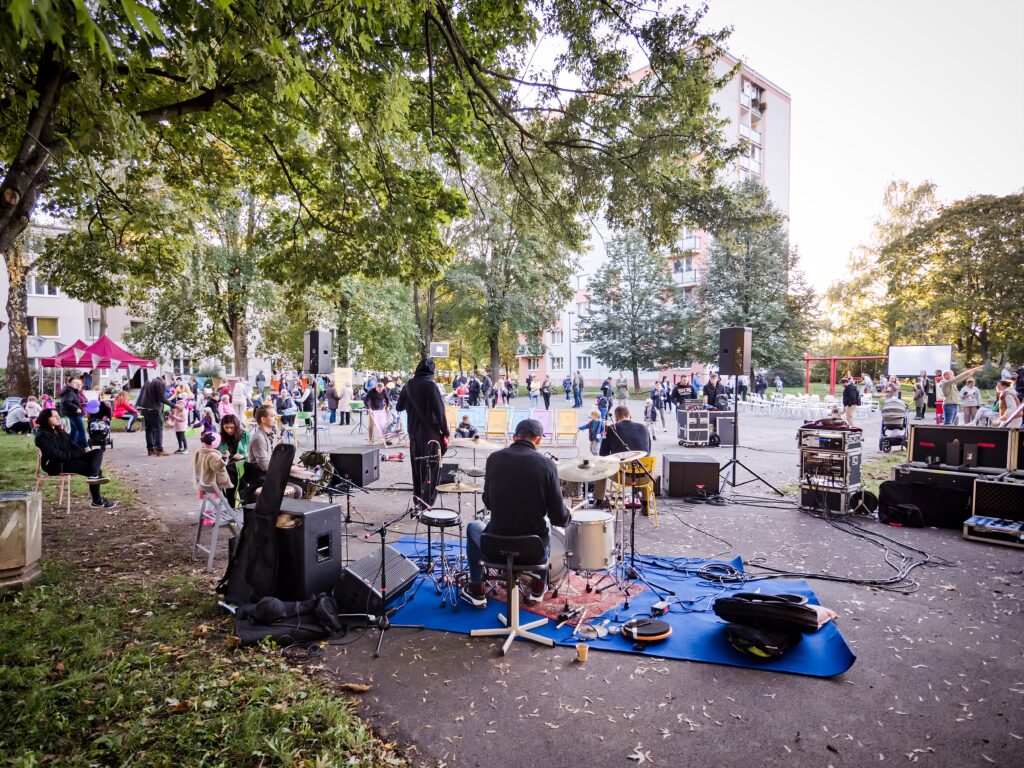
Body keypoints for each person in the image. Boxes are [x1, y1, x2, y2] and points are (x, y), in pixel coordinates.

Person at [459, 419, 569, 608]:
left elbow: (488, 502)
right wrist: (568, 516)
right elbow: (558, 517)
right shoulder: (548, 465)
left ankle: (477, 589)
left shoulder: (494, 458)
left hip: (495, 547)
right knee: (548, 528)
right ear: (538, 440)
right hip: (532, 551)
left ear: (515, 437)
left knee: (472, 527)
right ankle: (537, 588)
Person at [34, 408, 116, 508]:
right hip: (55, 464)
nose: (58, 418)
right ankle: (97, 499)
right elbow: (52, 454)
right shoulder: (42, 435)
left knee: (97, 452)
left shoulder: (59, 431)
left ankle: (94, 480)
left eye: (58, 415)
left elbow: (73, 445)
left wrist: (81, 453)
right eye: (54, 416)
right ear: (45, 418)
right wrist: (72, 455)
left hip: (68, 460)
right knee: (95, 470)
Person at [396, 356, 449, 508]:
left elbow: (399, 407)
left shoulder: (408, 386)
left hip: (414, 435)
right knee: (432, 469)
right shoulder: (431, 386)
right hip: (430, 436)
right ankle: (427, 502)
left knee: (417, 469)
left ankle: (417, 499)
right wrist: (445, 432)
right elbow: (440, 412)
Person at [591, 406, 651, 509]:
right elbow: (648, 453)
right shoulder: (644, 428)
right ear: (630, 416)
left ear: (616, 417)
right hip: (644, 477)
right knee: (645, 465)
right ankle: (646, 505)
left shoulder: (611, 428)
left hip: (622, 476)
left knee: (600, 467)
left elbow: (603, 455)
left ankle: (599, 501)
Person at [239, 403, 278, 504]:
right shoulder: (259, 438)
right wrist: (285, 467)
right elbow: (265, 466)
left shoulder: (271, 434)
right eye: (272, 416)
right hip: (259, 478)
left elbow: (274, 459)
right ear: (263, 419)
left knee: (300, 486)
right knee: (298, 490)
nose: (276, 418)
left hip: (269, 475)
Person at [136, 374, 176, 456]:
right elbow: (162, 399)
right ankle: (159, 449)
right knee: (158, 429)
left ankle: (150, 449)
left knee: (148, 430)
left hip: (144, 409)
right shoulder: (159, 383)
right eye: (170, 382)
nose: (168, 385)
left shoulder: (149, 381)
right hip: (153, 410)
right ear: (166, 380)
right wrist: (175, 406)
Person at [217, 414, 249, 508]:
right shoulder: (219, 437)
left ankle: (246, 513)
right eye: (226, 427)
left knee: (243, 490)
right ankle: (233, 514)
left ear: (237, 426)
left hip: (242, 466)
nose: (229, 430)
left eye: (232, 427)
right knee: (230, 490)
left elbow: (252, 453)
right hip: (227, 468)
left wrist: (243, 455)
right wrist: (223, 456)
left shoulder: (245, 435)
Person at [193, 431, 232, 498]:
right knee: (214, 500)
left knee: (206, 500)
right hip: (212, 482)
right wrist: (225, 457)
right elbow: (215, 467)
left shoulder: (201, 452)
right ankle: (211, 508)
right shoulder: (213, 455)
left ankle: (207, 508)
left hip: (203, 479)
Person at [59, 376, 87, 448]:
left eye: (76, 382)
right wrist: (76, 408)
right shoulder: (69, 392)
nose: (76, 384)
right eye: (74, 382)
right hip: (73, 414)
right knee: (81, 431)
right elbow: (66, 402)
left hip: (72, 414)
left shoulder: (71, 391)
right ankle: (85, 447)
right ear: (68, 383)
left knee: (74, 431)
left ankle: (72, 447)